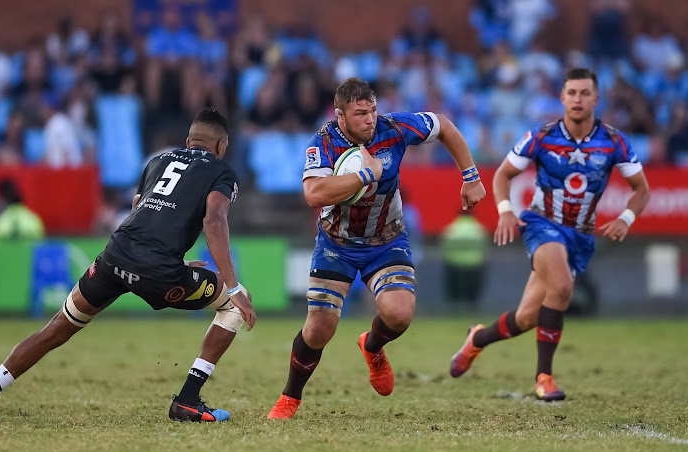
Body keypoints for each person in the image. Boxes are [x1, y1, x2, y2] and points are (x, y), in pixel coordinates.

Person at [0, 109, 255, 423]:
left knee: (55, 329)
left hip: (115, 257)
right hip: (159, 273)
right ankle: (188, 401)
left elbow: (139, 210)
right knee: (234, 304)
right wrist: (232, 287)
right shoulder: (221, 171)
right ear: (221, 146)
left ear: (188, 140)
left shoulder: (158, 161)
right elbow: (214, 220)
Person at [267, 77, 486, 419]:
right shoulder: (323, 142)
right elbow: (314, 194)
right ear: (340, 115)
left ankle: (372, 347)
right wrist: (364, 177)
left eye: (372, 110)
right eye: (360, 113)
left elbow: (444, 126)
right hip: (336, 243)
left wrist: (470, 176)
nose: (369, 119)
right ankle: (290, 397)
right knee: (320, 328)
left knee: (399, 314)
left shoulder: (394, 128)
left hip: (386, 240)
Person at [449, 68, 650, 401]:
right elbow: (502, 175)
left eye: (585, 93)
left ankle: (477, 339)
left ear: (596, 99)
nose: (577, 99)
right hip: (542, 225)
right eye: (571, 92)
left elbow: (640, 189)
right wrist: (505, 212)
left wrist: (626, 218)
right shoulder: (542, 136)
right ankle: (544, 378)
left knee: (527, 317)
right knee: (561, 287)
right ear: (562, 97)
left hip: (581, 237)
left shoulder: (614, 141)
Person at [441, 208, 488, 306]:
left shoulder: (451, 230)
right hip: (474, 265)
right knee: (472, 296)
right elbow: (484, 248)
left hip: (455, 265)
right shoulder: (479, 230)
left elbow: (445, 247)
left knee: (455, 295)